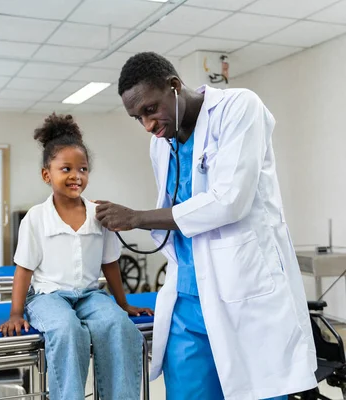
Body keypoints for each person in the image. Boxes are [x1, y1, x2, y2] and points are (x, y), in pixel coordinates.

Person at [95, 52, 317, 400]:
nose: (148, 126)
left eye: (150, 110)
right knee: (187, 392)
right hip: (186, 295)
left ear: (174, 86)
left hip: (243, 288)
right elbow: (177, 210)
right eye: (137, 118)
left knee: (256, 389)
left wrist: (137, 217)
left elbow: (230, 200)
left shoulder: (239, 107)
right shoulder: (161, 146)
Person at [0, 113, 152, 400]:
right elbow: (23, 270)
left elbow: (110, 264)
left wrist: (123, 304)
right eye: (66, 169)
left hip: (90, 295)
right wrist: (16, 313)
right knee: (68, 331)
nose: (76, 176)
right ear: (47, 175)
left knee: (118, 327)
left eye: (82, 169)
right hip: (48, 296)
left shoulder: (99, 214)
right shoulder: (36, 217)